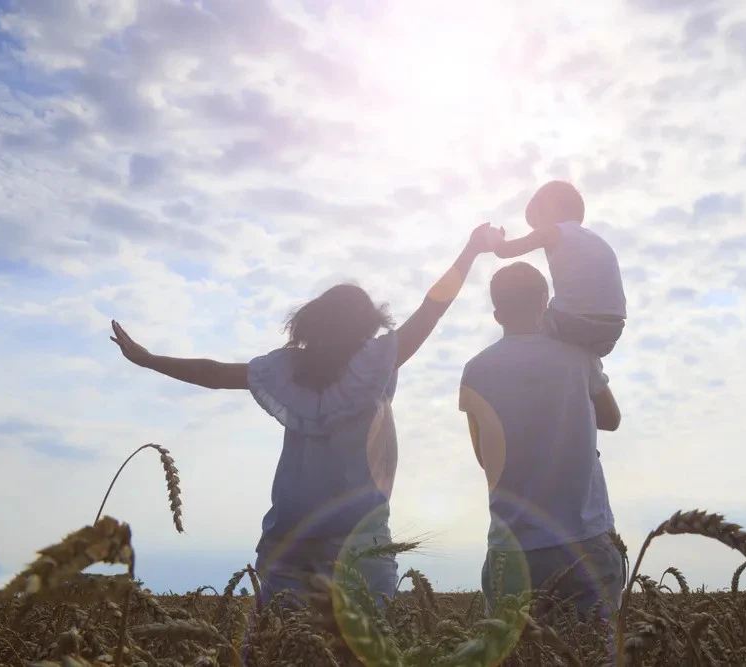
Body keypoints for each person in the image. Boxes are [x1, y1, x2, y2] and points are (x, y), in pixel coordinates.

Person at [108, 223, 498, 611]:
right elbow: (433, 307)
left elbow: (212, 373)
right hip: (359, 542)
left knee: (278, 648)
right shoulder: (375, 363)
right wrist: (470, 251)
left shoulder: (286, 369)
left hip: (289, 538)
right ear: (367, 326)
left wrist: (148, 359)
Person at [458, 261, 624, 662]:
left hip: (512, 547)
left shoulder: (475, 370)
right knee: (593, 656)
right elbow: (612, 420)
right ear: (545, 302)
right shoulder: (578, 356)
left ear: (497, 313)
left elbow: (485, 459)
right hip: (585, 536)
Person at [490, 180, 626, 357]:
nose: (537, 230)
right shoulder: (597, 240)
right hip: (612, 330)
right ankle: (595, 378)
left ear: (547, 207)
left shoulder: (553, 231)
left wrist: (493, 235)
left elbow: (503, 250)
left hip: (573, 321)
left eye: (536, 223)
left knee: (523, 324)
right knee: (580, 360)